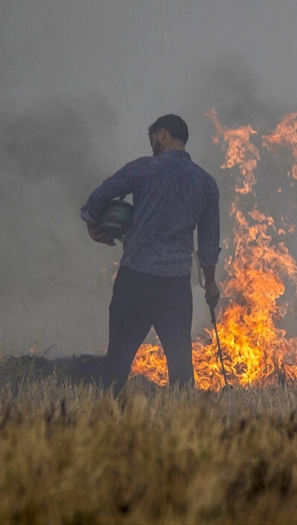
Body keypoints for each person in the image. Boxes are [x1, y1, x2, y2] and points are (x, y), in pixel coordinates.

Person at [81, 114, 221, 394]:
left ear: (163, 133)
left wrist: (93, 224)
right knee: (180, 364)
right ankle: (186, 424)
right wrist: (211, 282)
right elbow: (208, 241)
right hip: (175, 285)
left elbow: (98, 198)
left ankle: (108, 420)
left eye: (153, 138)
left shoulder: (142, 169)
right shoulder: (206, 182)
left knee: (119, 360)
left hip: (136, 278)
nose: (152, 144)